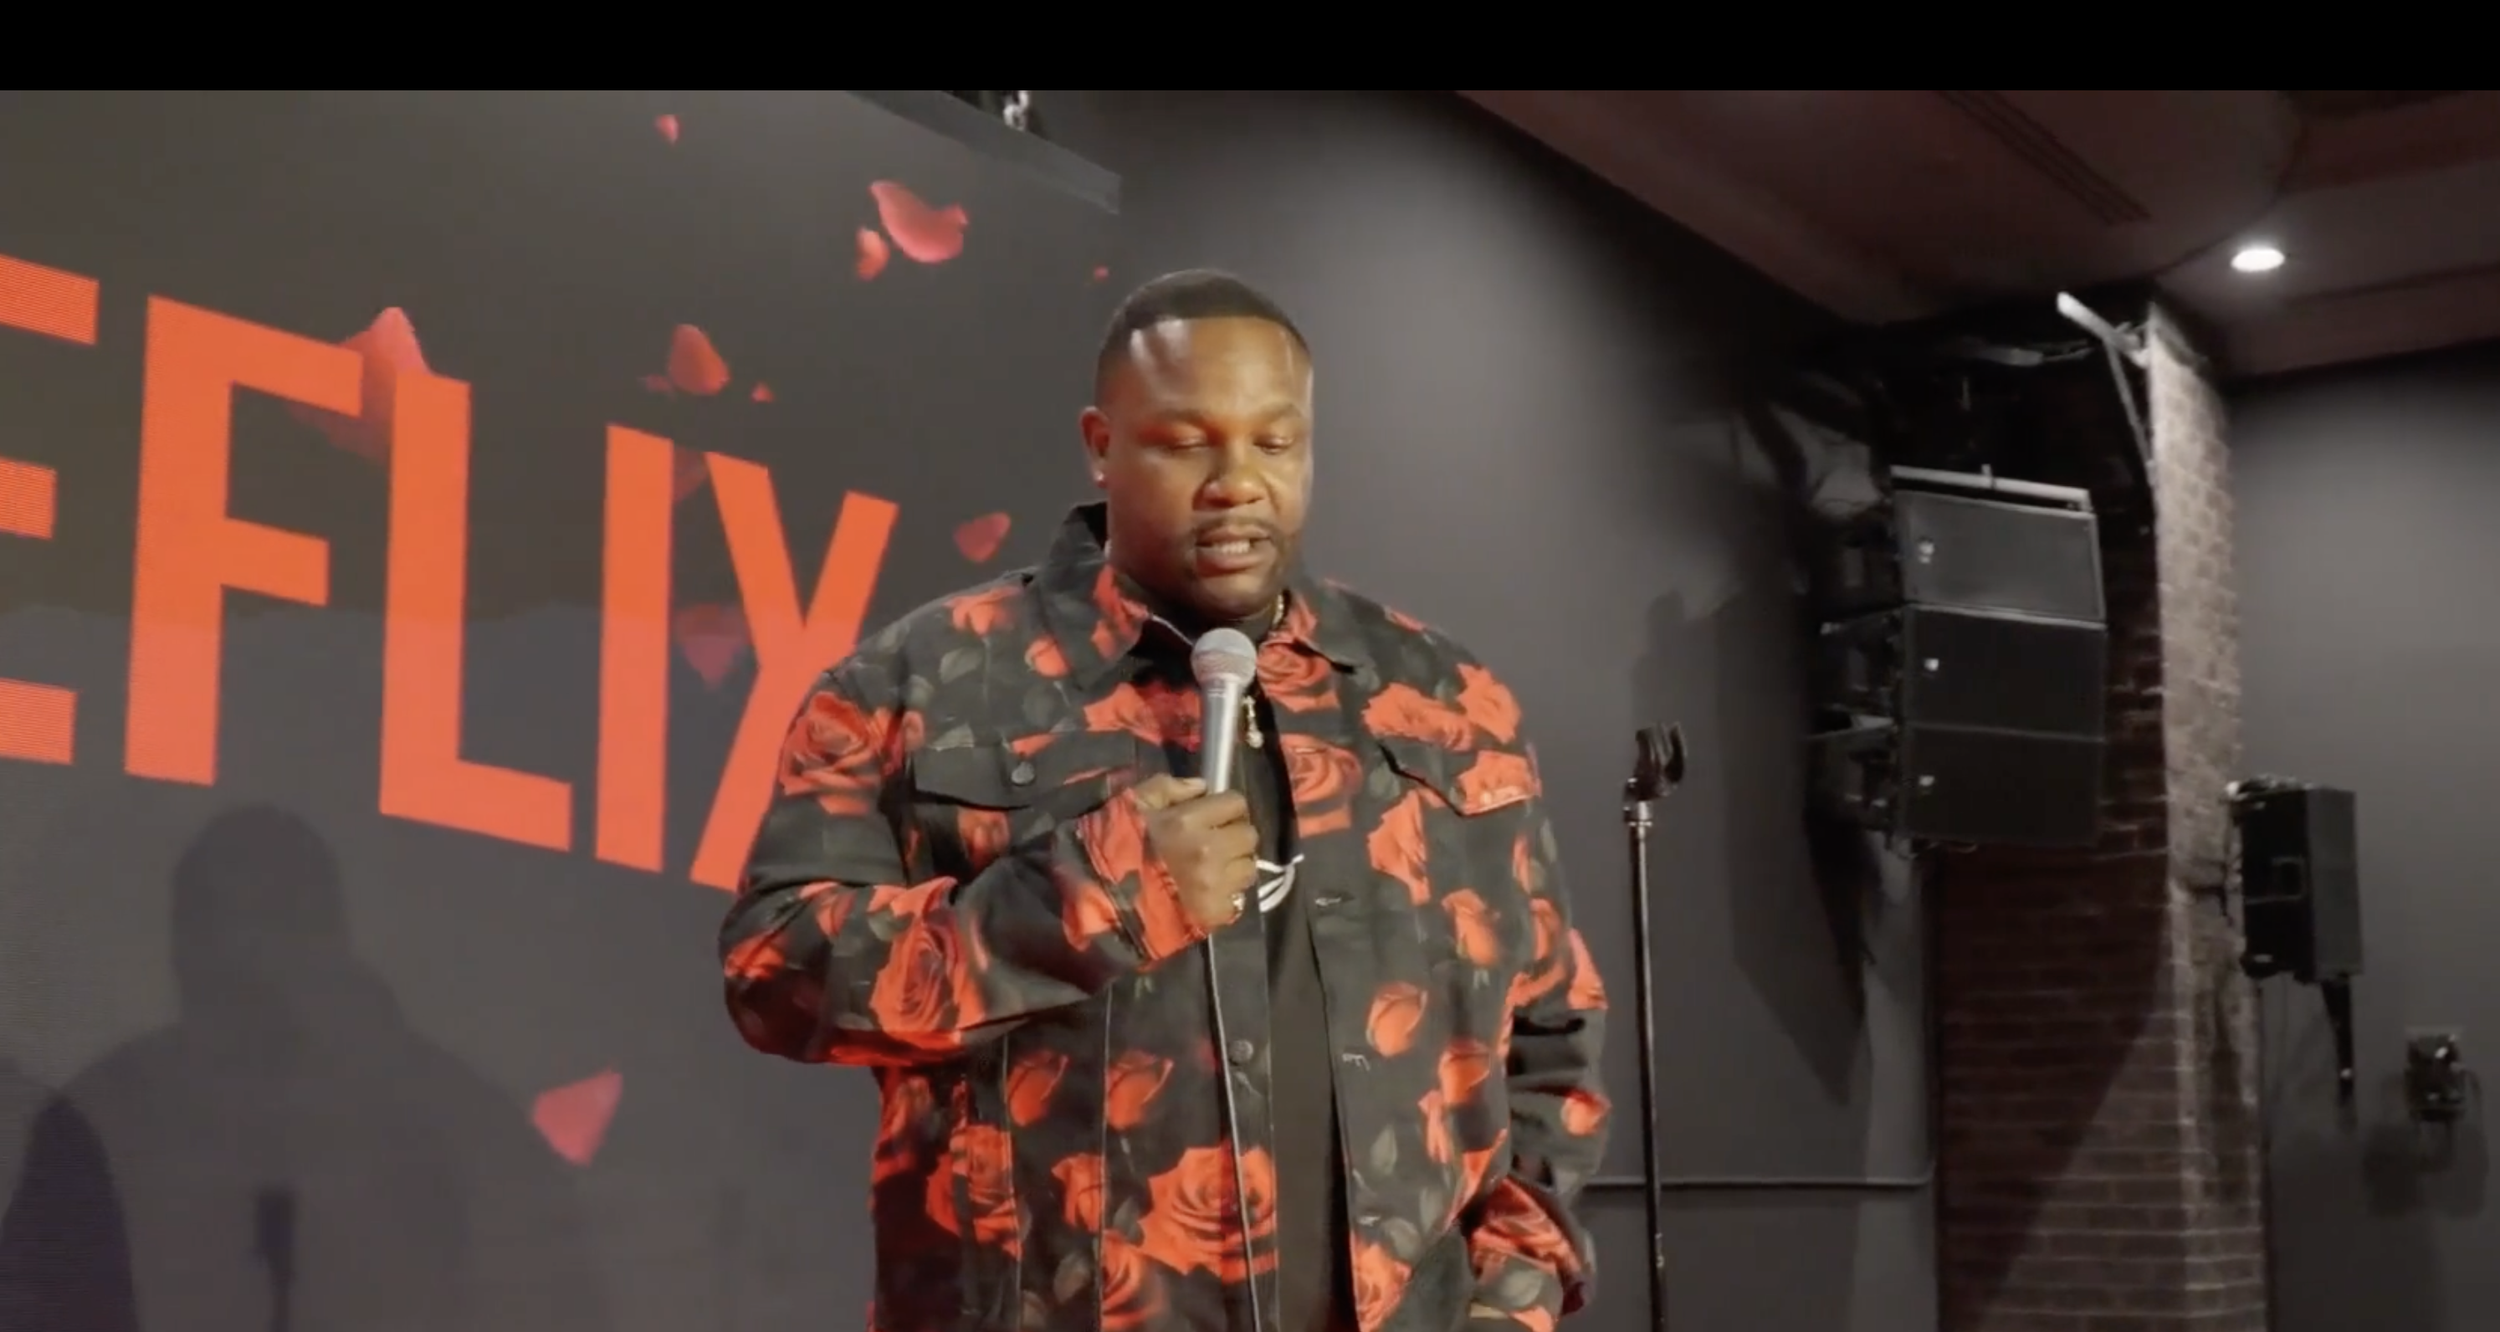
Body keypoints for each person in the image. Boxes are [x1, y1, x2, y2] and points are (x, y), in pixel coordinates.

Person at [720, 270, 1609, 1332]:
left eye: (1275, 443)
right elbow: (776, 975)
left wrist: (1509, 1299)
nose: (1238, 482)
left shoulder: (1443, 699)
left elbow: (1551, 1036)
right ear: (1102, 443)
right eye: (1188, 442)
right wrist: (1084, 898)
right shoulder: (921, 679)